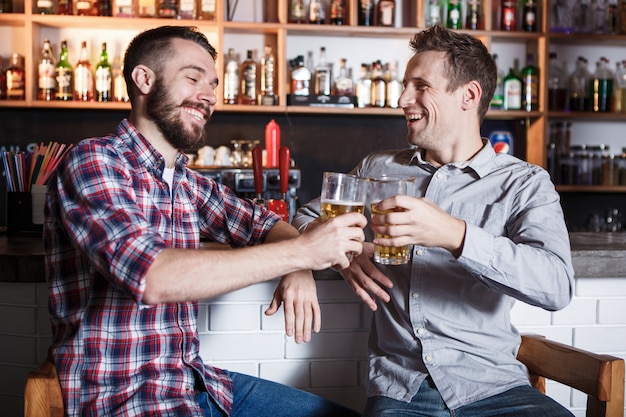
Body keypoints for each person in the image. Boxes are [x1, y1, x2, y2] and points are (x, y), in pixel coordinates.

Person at [43, 25, 366, 417]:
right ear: (144, 79)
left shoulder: (188, 182)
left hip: (194, 384)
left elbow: (261, 223)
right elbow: (153, 277)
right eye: (193, 77)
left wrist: (299, 263)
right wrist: (304, 251)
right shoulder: (94, 161)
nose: (210, 96)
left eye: (213, 83)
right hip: (126, 401)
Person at [293, 25, 575, 417]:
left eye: (420, 86)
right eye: (405, 85)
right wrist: (343, 251)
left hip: (497, 389)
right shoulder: (379, 167)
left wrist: (454, 235)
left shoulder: (523, 183)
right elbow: (306, 216)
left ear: (469, 96)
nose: (402, 99)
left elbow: (556, 286)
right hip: (402, 391)